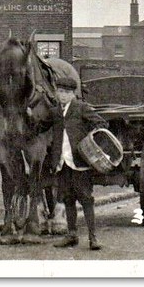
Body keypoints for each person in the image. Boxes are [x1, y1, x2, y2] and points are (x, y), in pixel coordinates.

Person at [51, 75, 107, 250]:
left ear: (73, 94)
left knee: (86, 199)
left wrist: (89, 142)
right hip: (63, 163)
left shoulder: (81, 108)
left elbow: (101, 124)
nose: (63, 96)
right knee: (68, 199)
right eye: (60, 92)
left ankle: (93, 238)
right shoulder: (56, 112)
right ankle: (72, 235)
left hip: (80, 163)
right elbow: (41, 125)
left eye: (66, 93)